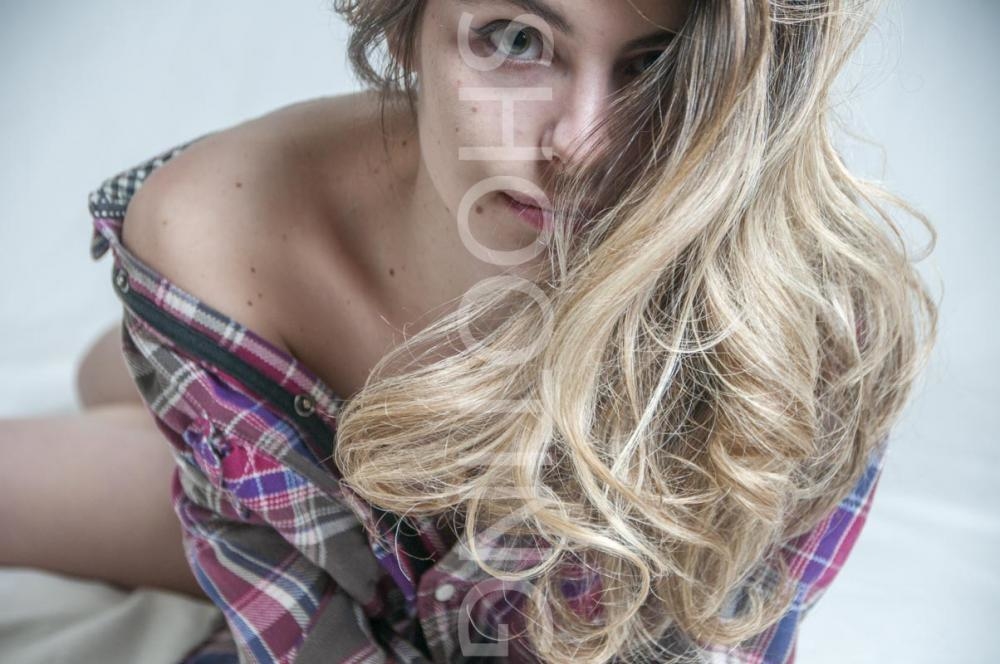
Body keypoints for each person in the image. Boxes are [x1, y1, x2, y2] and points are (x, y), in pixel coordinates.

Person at [0, 0, 938, 662]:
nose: (582, 146)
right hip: (327, 501)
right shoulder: (219, 237)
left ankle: (135, 393)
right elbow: (306, 634)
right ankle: (141, 388)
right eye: (517, 38)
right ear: (403, 25)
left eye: (656, 67)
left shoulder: (812, 327)